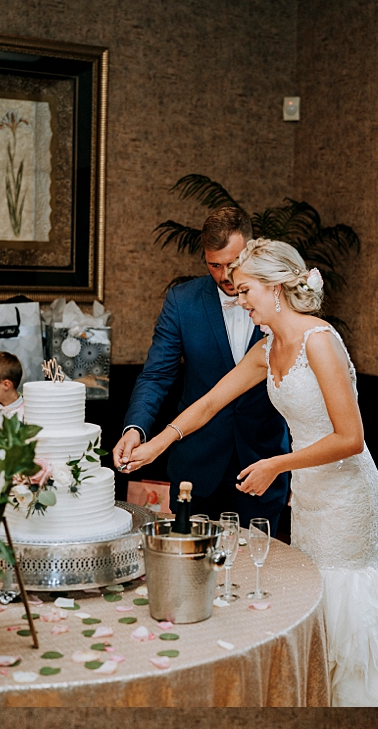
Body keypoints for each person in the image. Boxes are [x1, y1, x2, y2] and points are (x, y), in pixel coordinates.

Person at [116, 236, 378, 705]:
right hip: (309, 491)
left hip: (346, 492)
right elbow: (209, 403)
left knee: (347, 593)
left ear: (275, 288)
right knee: (318, 594)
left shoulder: (319, 341)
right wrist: (153, 444)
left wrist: (276, 465)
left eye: (245, 291)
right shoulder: (267, 349)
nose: (239, 301)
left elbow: (351, 438)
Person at [116, 204, 290, 533]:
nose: (225, 275)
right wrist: (135, 429)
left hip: (263, 462)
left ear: (251, 251)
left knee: (259, 569)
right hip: (196, 466)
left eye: (233, 264)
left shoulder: (281, 302)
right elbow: (156, 376)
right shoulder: (182, 301)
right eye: (214, 265)